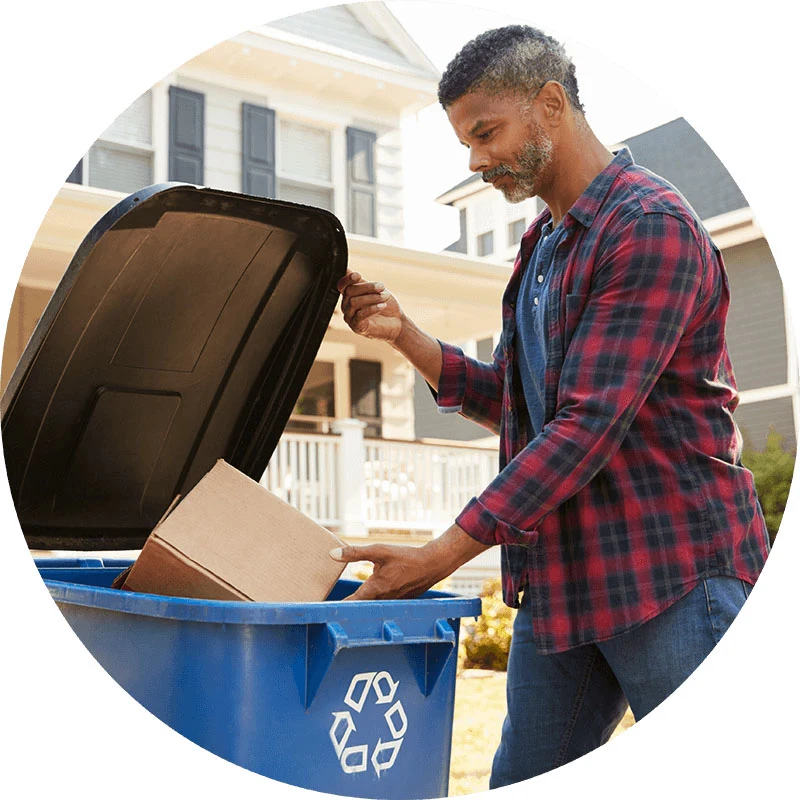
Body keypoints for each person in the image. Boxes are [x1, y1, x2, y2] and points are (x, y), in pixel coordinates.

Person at [331, 25, 770, 785]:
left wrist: (436, 561)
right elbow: (522, 404)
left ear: (551, 104)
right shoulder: (544, 246)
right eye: (467, 141)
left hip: (672, 576)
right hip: (565, 587)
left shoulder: (647, 227)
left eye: (485, 133)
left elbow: (585, 427)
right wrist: (404, 334)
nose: (474, 160)